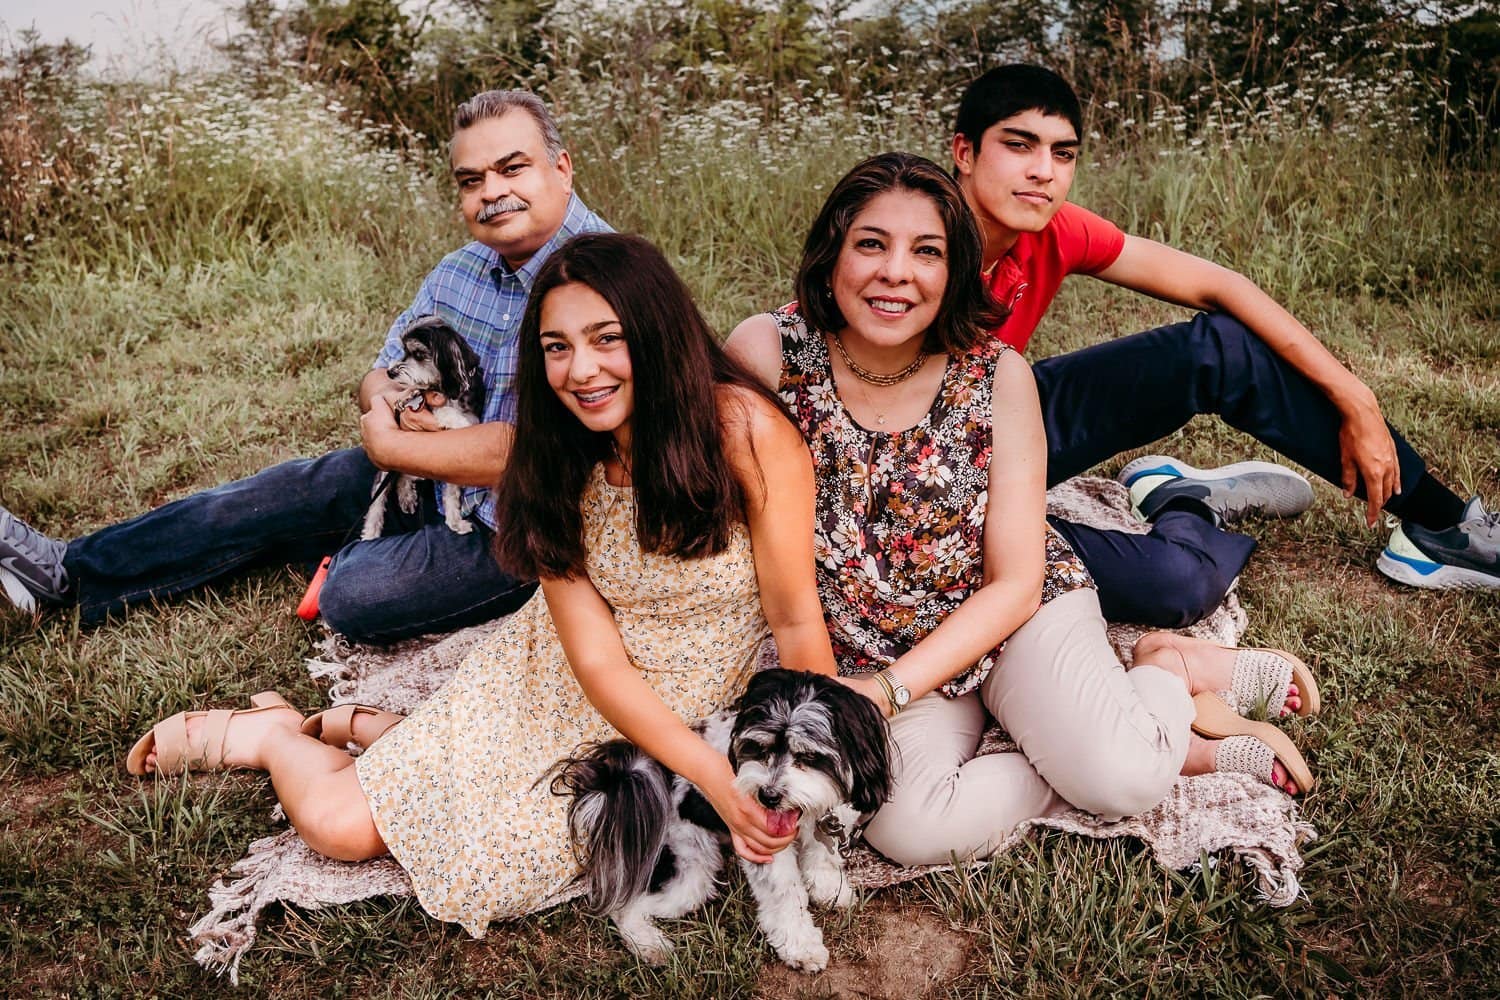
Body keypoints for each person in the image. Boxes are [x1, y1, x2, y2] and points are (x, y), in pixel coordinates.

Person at [124, 232, 836, 929]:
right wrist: (712, 780)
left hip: (692, 705)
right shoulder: (554, 454)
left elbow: (797, 621)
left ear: (658, 334)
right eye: (557, 348)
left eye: (606, 339)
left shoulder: (744, 432)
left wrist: (807, 763)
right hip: (562, 678)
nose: (581, 370)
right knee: (342, 829)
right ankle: (275, 736)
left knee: (504, 856)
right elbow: (594, 659)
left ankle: (380, 733)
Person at [727, 152, 1319, 867]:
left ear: (953, 274)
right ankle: (1089, 754)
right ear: (831, 256)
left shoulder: (995, 375)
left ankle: (1167, 668)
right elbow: (766, 550)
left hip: (1009, 618)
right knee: (906, 829)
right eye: (872, 244)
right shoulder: (770, 354)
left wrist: (883, 695)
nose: (896, 273)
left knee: (1125, 780)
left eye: (927, 252)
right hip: (868, 639)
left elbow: (1015, 581)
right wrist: (834, 693)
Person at [0, 90, 610, 642]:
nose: (491, 192)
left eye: (512, 168)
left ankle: (355, 554)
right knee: (269, 494)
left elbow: (538, 454)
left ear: (561, 166)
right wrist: (389, 408)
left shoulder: (608, 277)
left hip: (526, 527)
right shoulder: (459, 270)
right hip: (428, 474)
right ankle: (66, 571)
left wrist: (391, 446)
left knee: (353, 594)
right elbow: (379, 374)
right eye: (470, 180)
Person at [947, 64, 1497, 622]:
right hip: (915, 487)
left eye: (1062, 154)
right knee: (1176, 584)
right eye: (1019, 146)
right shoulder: (904, 242)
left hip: (1001, 417)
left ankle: (1445, 527)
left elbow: (1221, 286)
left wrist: (1358, 399)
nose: (1043, 172)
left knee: (1222, 350)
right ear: (965, 153)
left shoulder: (1052, 229)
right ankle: (1182, 503)